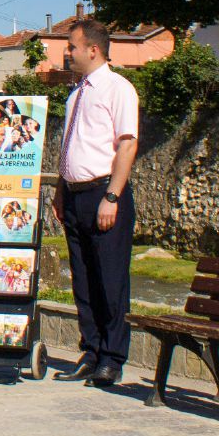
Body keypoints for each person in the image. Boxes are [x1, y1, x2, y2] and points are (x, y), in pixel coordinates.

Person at [51, 19, 139, 388]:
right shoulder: (76, 94)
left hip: (104, 193)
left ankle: (112, 357)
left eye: (72, 46)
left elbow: (127, 144)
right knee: (84, 279)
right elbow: (72, 145)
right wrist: (61, 189)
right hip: (75, 195)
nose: (67, 52)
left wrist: (112, 196)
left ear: (93, 49)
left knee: (109, 279)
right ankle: (90, 351)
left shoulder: (118, 88)